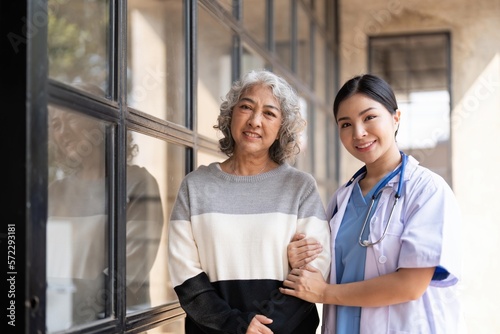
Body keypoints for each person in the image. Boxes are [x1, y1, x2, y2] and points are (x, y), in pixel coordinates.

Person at [280, 74, 462, 333]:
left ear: (395, 117)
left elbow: (411, 285)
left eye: (369, 117)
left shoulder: (426, 190)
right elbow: (324, 264)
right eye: (345, 124)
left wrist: (325, 293)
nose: (359, 133)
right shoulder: (342, 199)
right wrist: (300, 254)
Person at [167, 70, 331, 334]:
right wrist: (236, 327)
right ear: (231, 115)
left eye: (269, 113)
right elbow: (183, 272)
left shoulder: (300, 187)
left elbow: (315, 268)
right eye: (246, 107)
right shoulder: (195, 186)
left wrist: (264, 328)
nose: (255, 120)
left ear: (281, 129)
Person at [46, 84, 164, 331]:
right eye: (56, 125)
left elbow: (128, 279)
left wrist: (58, 293)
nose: (63, 131)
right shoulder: (54, 192)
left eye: (71, 119)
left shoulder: (136, 184)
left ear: (98, 121)